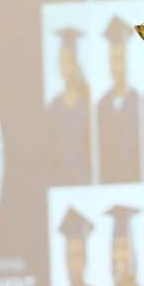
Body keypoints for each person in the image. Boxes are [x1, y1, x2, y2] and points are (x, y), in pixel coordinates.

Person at [95, 18, 144, 185]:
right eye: (114, 60)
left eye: (121, 60)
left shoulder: (142, 104)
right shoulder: (101, 107)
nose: (118, 67)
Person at [46, 27, 91, 186]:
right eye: (62, 61)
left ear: (76, 63)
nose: (66, 67)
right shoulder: (54, 107)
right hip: (60, 180)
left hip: (84, 179)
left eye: (69, 61)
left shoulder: (88, 104)